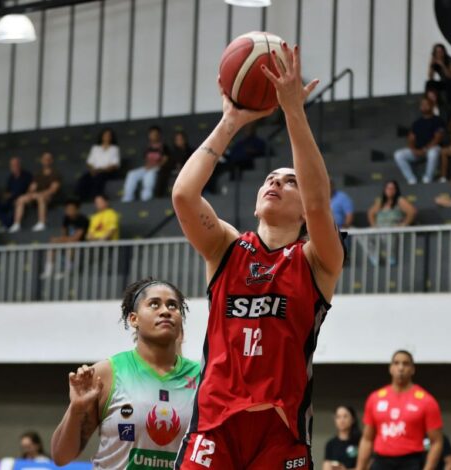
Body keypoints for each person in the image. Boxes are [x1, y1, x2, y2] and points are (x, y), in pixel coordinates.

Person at [172, 42, 345, 469]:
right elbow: (183, 194)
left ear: (304, 208)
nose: (275, 183)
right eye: (269, 178)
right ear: (253, 202)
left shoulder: (317, 261)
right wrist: (230, 122)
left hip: (280, 432)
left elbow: (321, 202)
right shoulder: (226, 248)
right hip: (213, 426)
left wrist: (293, 111)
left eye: (289, 181)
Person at [50, 278, 200, 469]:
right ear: (133, 319)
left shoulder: (203, 377)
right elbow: (61, 457)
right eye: (154, 304)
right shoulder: (106, 373)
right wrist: (77, 409)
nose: (165, 311)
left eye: (173, 306)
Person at [355, 351, 443, 470]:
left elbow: (436, 442)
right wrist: (360, 468)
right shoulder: (375, 398)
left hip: (411, 461)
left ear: (412, 369)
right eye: (396, 363)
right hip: (381, 461)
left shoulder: (426, 401)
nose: (400, 368)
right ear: (390, 368)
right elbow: (367, 439)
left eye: (405, 364)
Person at [394, 98, 445, 184]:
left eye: (426, 104)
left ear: (432, 106)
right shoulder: (417, 123)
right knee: (398, 155)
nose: (424, 106)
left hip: (433, 149)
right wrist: (414, 150)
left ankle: (428, 178)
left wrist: (425, 149)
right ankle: (411, 180)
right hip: (418, 151)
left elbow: (438, 138)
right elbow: (411, 138)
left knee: (433, 153)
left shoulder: (438, 120)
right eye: (422, 104)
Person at [364, 181, 416, 266]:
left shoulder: (400, 200)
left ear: (396, 190)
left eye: (392, 188)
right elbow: (370, 213)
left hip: (392, 228)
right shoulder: (381, 201)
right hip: (379, 228)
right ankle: (375, 257)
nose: (390, 190)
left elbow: (412, 211)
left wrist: (404, 224)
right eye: (388, 188)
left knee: (388, 232)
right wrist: (373, 225)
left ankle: (391, 257)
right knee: (362, 235)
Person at [10, 152, 62, 233]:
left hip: (51, 197)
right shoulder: (38, 173)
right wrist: (30, 194)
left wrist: (39, 194)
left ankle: (42, 222)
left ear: (51, 161)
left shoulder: (56, 173)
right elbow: (32, 187)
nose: (46, 161)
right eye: (45, 159)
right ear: (42, 161)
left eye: (48, 159)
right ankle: (16, 224)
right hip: (37, 195)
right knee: (21, 199)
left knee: (41, 198)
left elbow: (53, 189)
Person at [41, 200, 90, 279]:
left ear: (76, 209)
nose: (69, 211)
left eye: (71, 209)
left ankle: (66, 271)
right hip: (68, 241)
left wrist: (61, 239)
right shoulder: (66, 219)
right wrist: (58, 240)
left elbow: (76, 238)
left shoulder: (83, 220)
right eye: (67, 209)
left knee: (70, 245)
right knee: (52, 244)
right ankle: (48, 271)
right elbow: (64, 234)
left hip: (80, 244)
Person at [122, 126, 169, 202]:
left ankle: (146, 197)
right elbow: (145, 159)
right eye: (151, 134)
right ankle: (128, 197)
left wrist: (155, 166)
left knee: (149, 175)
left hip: (157, 168)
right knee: (131, 174)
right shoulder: (147, 147)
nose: (153, 136)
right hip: (147, 167)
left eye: (155, 134)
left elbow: (165, 160)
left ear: (159, 135)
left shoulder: (164, 147)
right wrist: (147, 166)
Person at [76, 128, 121, 202]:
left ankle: (95, 198)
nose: (107, 137)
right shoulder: (95, 148)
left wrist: (101, 170)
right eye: (105, 135)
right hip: (95, 170)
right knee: (84, 178)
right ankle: (81, 198)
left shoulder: (115, 149)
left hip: (108, 171)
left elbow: (115, 164)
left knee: (99, 178)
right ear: (101, 136)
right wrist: (92, 170)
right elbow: (89, 162)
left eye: (109, 135)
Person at [0, 157, 33, 229]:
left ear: (19, 165)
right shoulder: (11, 178)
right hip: (11, 200)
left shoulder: (27, 175)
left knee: (16, 205)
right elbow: (7, 192)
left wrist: (23, 197)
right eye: (12, 165)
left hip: (22, 199)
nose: (14, 167)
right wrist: (7, 196)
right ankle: (7, 225)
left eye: (15, 164)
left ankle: (11, 225)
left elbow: (30, 189)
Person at [156, 130, 194, 197]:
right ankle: (160, 197)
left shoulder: (190, 151)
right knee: (163, 173)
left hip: (188, 171)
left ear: (185, 140)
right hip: (173, 171)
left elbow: (193, 163)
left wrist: (182, 168)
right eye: (177, 139)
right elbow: (169, 164)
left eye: (181, 139)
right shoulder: (172, 152)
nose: (179, 141)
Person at [323, 406, 361, 470]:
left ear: (353, 419)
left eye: (345, 416)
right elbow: (326, 466)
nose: (342, 420)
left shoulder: (360, 441)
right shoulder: (331, 444)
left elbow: (367, 466)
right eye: (338, 417)